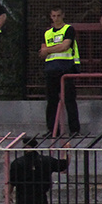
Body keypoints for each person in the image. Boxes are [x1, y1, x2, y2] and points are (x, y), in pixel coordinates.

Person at [40, 7, 81, 135]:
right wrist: (49, 50)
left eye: (58, 15)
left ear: (63, 15)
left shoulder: (68, 29)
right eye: (53, 16)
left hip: (67, 67)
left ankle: (74, 130)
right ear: (50, 17)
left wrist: (49, 49)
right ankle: (52, 130)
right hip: (51, 69)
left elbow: (65, 46)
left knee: (69, 100)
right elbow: (42, 52)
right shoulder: (47, 33)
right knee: (51, 101)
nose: (56, 18)